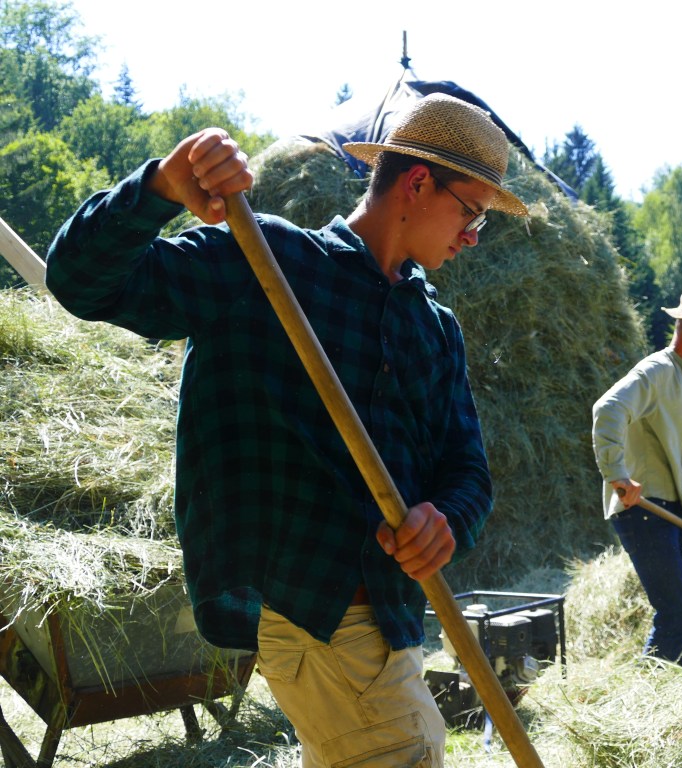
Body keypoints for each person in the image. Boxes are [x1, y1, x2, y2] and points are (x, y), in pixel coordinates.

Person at [45, 93, 528, 768]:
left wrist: (445, 518)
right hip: (310, 600)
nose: (474, 235)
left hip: (392, 615)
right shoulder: (266, 265)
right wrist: (159, 188)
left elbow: (467, 469)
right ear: (418, 183)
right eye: (472, 211)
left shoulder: (436, 329)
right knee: (407, 750)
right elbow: (82, 283)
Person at [591, 287, 682, 667]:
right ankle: (651, 700)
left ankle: (680, 692)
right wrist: (618, 476)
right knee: (676, 610)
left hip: (669, 511)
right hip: (643, 509)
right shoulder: (655, 372)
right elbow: (608, 409)